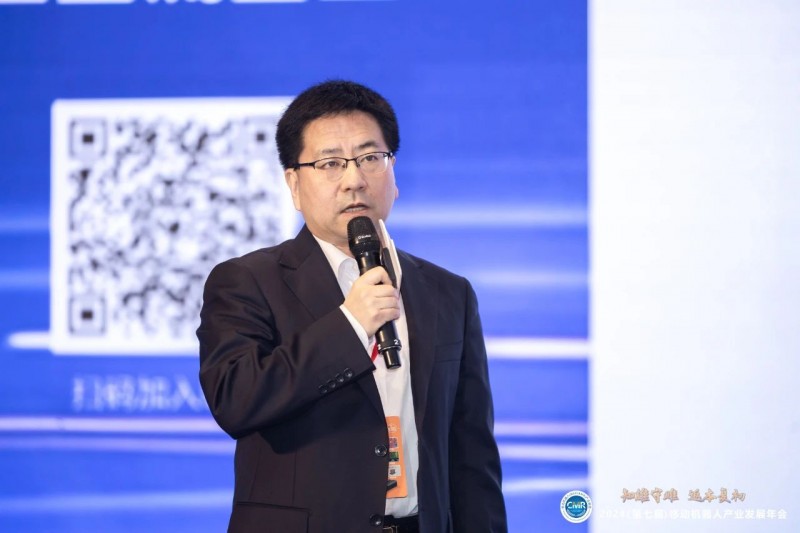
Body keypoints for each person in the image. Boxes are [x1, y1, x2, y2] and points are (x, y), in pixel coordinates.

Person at [197, 80, 507, 533]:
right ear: (294, 184)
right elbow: (236, 400)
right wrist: (350, 324)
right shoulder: (247, 281)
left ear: (393, 173)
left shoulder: (448, 293)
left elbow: (471, 453)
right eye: (330, 163)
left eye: (370, 158)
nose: (354, 180)